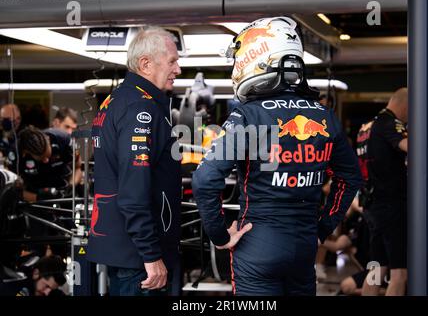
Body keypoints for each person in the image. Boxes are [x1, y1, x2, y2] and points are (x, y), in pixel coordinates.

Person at [192, 17, 362, 296]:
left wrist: (219, 235)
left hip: (257, 244)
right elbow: (350, 177)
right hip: (305, 245)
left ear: (255, 55)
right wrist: (323, 228)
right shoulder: (324, 115)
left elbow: (205, 179)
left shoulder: (248, 114)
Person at [86, 26, 182, 296]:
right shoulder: (141, 108)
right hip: (140, 258)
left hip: (125, 248)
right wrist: (151, 254)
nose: (178, 69)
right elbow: (133, 187)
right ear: (146, 64)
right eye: (173, 61)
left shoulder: (115, 100)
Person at [361, 88, 408, 296]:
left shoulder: (366, 127)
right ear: (406, 106)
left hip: (371, 204)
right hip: (390, 205)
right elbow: (409, 145)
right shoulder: (390, 122)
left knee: (376, 269)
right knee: (400, 273)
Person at [18, 126, 81, 202]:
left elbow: (78, 168)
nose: (46, 161)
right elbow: (12, 190)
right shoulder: (18, 154)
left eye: (48, 156)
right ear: (26, 152)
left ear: (48, 139)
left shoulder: (64, 139)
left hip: (63, 187)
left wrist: (72, 186)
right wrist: (38, 197)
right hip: (34, 195)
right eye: (41, 158)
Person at [0, 255, 66, 296]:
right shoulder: (12, 286)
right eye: (46, 286)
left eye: (52, 289)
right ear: (36, 273)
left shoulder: (53, 292)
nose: (47, 293)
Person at [0, 103, 22, 171]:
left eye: (7, 119)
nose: (2, 121)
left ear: (18, 119)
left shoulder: (24, 137)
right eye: (1, 118)